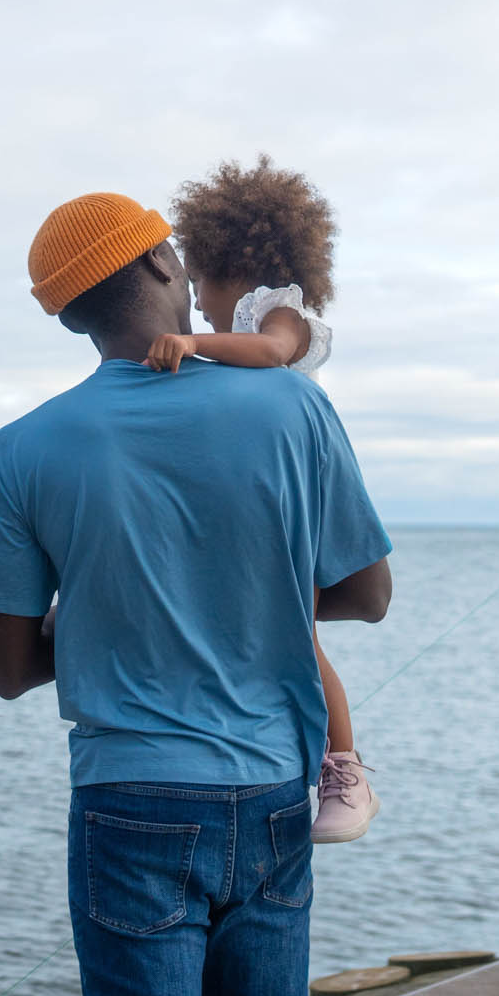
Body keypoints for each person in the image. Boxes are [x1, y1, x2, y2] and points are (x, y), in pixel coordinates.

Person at [0, 194, 392, 996]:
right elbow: (367, 593)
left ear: (68, 316)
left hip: (129, 806)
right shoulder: (289, 405)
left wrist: (108, 612)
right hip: (270, 794)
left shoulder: (22, 449)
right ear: (162, 263)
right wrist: (248, 591)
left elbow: (8, 668)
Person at [139, 156, 376, 841]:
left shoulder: (280, 310)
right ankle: (314, 755)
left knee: (301, 636)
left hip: (297, 490)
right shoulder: (248, 321)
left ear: (231, 262)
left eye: (198, 283)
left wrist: (191, 343)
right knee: (285, 637)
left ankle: (346, 768)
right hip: (269, 488)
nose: (196, 302)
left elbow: (271, 352)